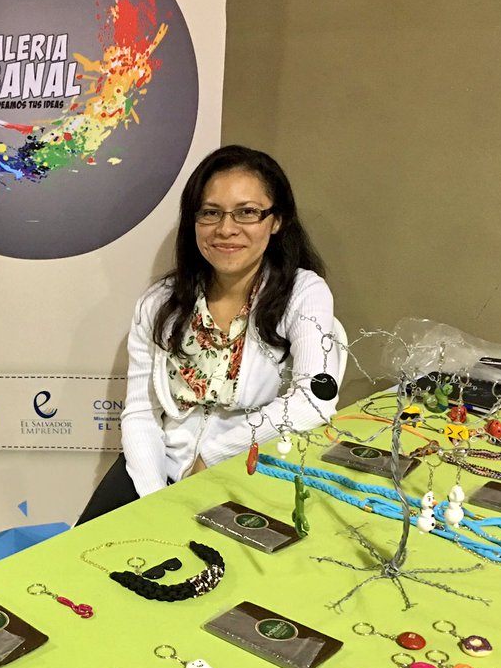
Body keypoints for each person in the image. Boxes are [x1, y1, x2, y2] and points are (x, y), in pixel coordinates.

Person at [77, 145, 338, 524]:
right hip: (161, 468)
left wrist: (211, 458)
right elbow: (140, 412)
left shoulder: (303, 293)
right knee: (82, 551)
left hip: (250, 467)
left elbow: (313, 401)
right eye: (210, 212)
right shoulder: (160, 302)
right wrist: (155, 496)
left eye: (247, 212)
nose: (226, 229)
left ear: (276, 221)